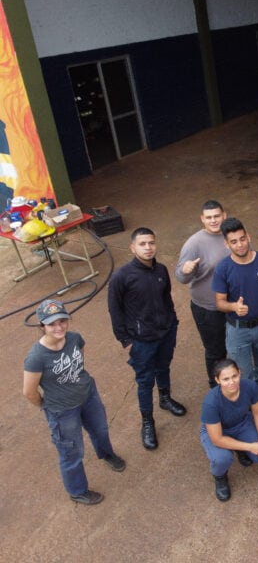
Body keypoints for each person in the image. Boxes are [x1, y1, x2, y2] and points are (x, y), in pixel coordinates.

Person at [23, 299, 126, 506]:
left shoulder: (75, 339)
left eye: (62, 321)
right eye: (52, 324)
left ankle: (106, 454)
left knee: (100, 429)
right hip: (62, 410)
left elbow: (79, 364)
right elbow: (29, 392)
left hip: (88, 396)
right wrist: (48, 405)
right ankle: (77, 491)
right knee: (71, 451)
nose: (58, 327)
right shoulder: (36, 357)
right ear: (42, 326)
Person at [108, 227, 186, 451]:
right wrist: (126, 340)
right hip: (141, 341)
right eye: (142, 244)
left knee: (164, 368)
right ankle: (147, 422)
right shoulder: (122, 277)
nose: (148, 247)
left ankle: (165, 398)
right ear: (133, 248)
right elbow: (115, 310)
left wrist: (173, 322)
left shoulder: (161, 269)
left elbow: (166, 297)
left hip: (166, 333)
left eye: (151, 243)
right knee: (144, 381)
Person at [213, 218, 258, 418]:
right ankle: (252, 406)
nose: (240, 244)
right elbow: (219, 302)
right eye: (234, 241)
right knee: (243, 373)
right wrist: (233, 306)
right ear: (227, 244)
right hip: (237, 330)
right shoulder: (223, 268)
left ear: (248, 237)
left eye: (242, 239)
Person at [200, 359, 258, 502]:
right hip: (218, 432)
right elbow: (217, 439)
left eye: (234, 376)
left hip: (241, 423)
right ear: (217, 380)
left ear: (240, 373)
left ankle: (240, 449)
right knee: (222, 459)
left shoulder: (250, 387)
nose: (231, 382)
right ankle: (220, 476)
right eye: (226, 379)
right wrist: (250, 446)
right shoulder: (211, 402)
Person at [174, 200, 229, 387]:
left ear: (224, 215)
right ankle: (216, 387)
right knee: (215, 351)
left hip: (231, 305)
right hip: (208, 309)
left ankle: (232, 383)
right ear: (202, 219)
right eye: (209, 217)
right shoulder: (194, 243)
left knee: (233, 347)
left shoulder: (231, 235)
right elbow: (181, 278)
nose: (214, 220)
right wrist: (186, 270)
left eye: (217, 216)